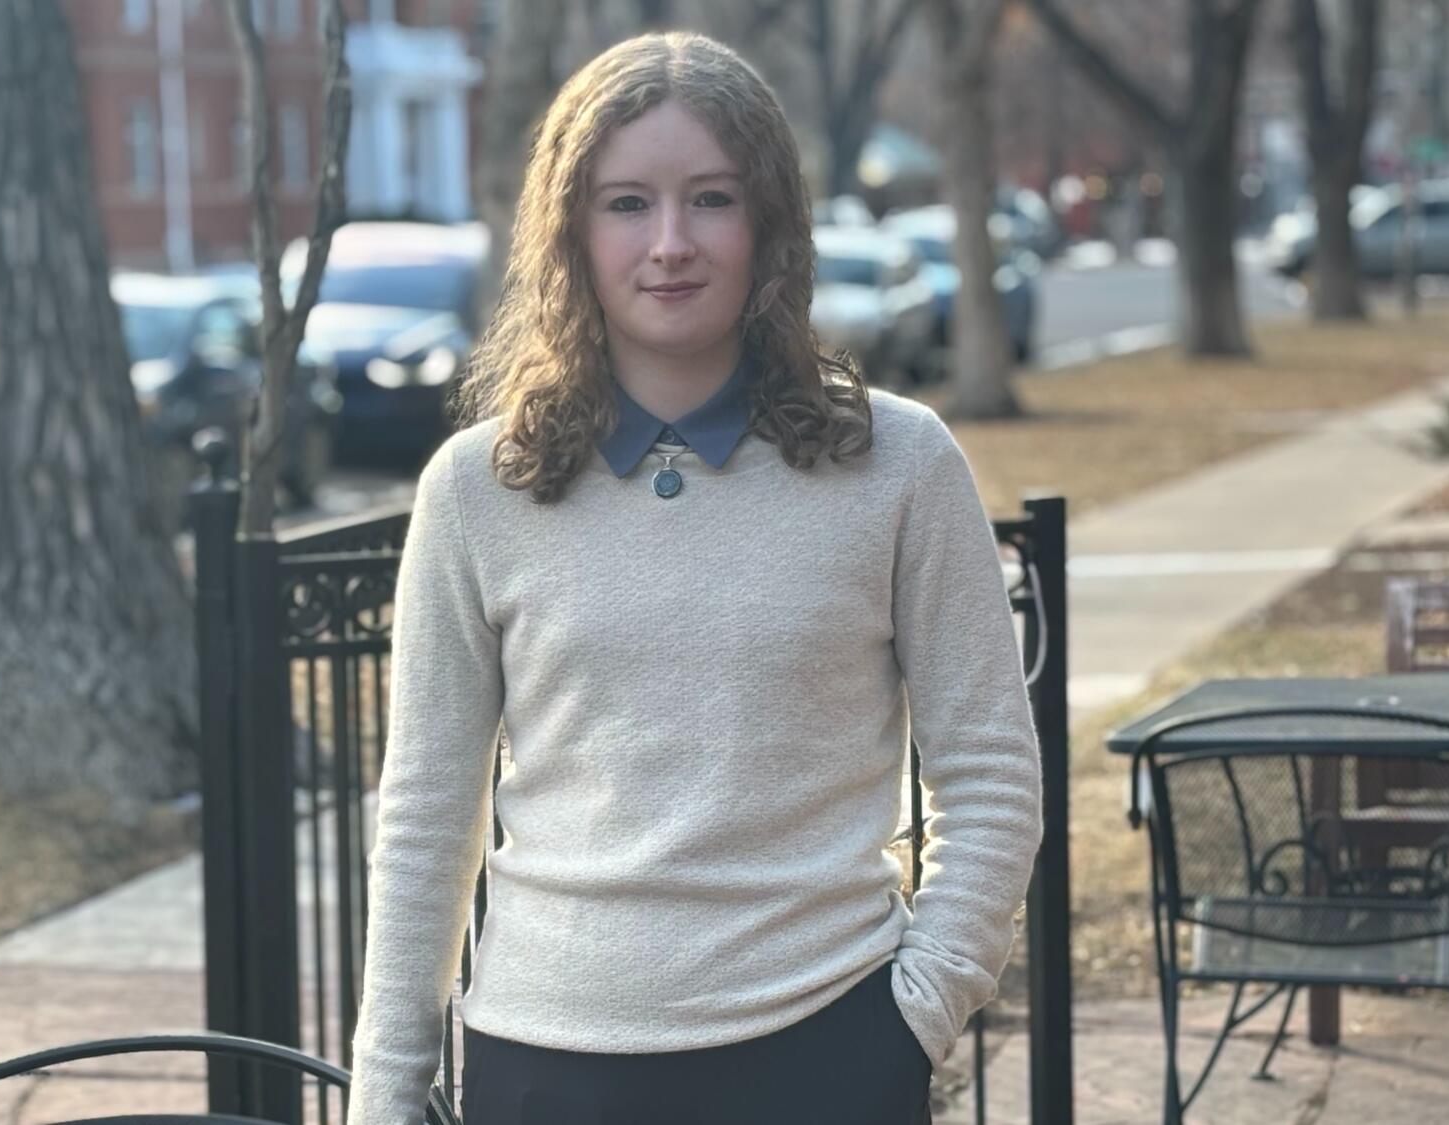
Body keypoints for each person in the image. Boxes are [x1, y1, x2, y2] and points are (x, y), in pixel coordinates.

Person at [345, 31, 1043, 1125]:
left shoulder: (899, 465)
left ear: (769, 222)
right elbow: (426, 815)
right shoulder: (476, 490)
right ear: (570, 230)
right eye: (626, 203)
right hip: (545, 1068)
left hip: (828, 1051)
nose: (669, 243)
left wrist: (919, 1008)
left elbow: (992, 773)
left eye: (711, 199)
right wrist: (383, 1096)